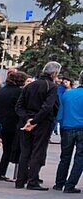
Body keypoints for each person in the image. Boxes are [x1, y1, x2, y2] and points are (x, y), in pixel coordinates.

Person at [15, 61, 61, 190]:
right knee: (37, 151)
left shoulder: (30, 85)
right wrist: (34, 121)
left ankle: (20, 180)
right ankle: (32, 180)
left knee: (25, 152)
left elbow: (19, 106)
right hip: (42, 123)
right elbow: (48, 107)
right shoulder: (51, 86)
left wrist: (27, 119)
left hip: (27, 122)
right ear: (54, 73)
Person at [0, 70, 25, 181]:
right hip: (11, 123)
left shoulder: (2, 90)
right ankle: (1, 172)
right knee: (7, 149)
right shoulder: (19, 92)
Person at [54, 71, 83, 194]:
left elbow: (60, 113)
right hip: (81, 128)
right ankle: (70, 184)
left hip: (67, 127)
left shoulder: (68, 94)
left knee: (65, 156)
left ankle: (59, 183)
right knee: (80, 157)